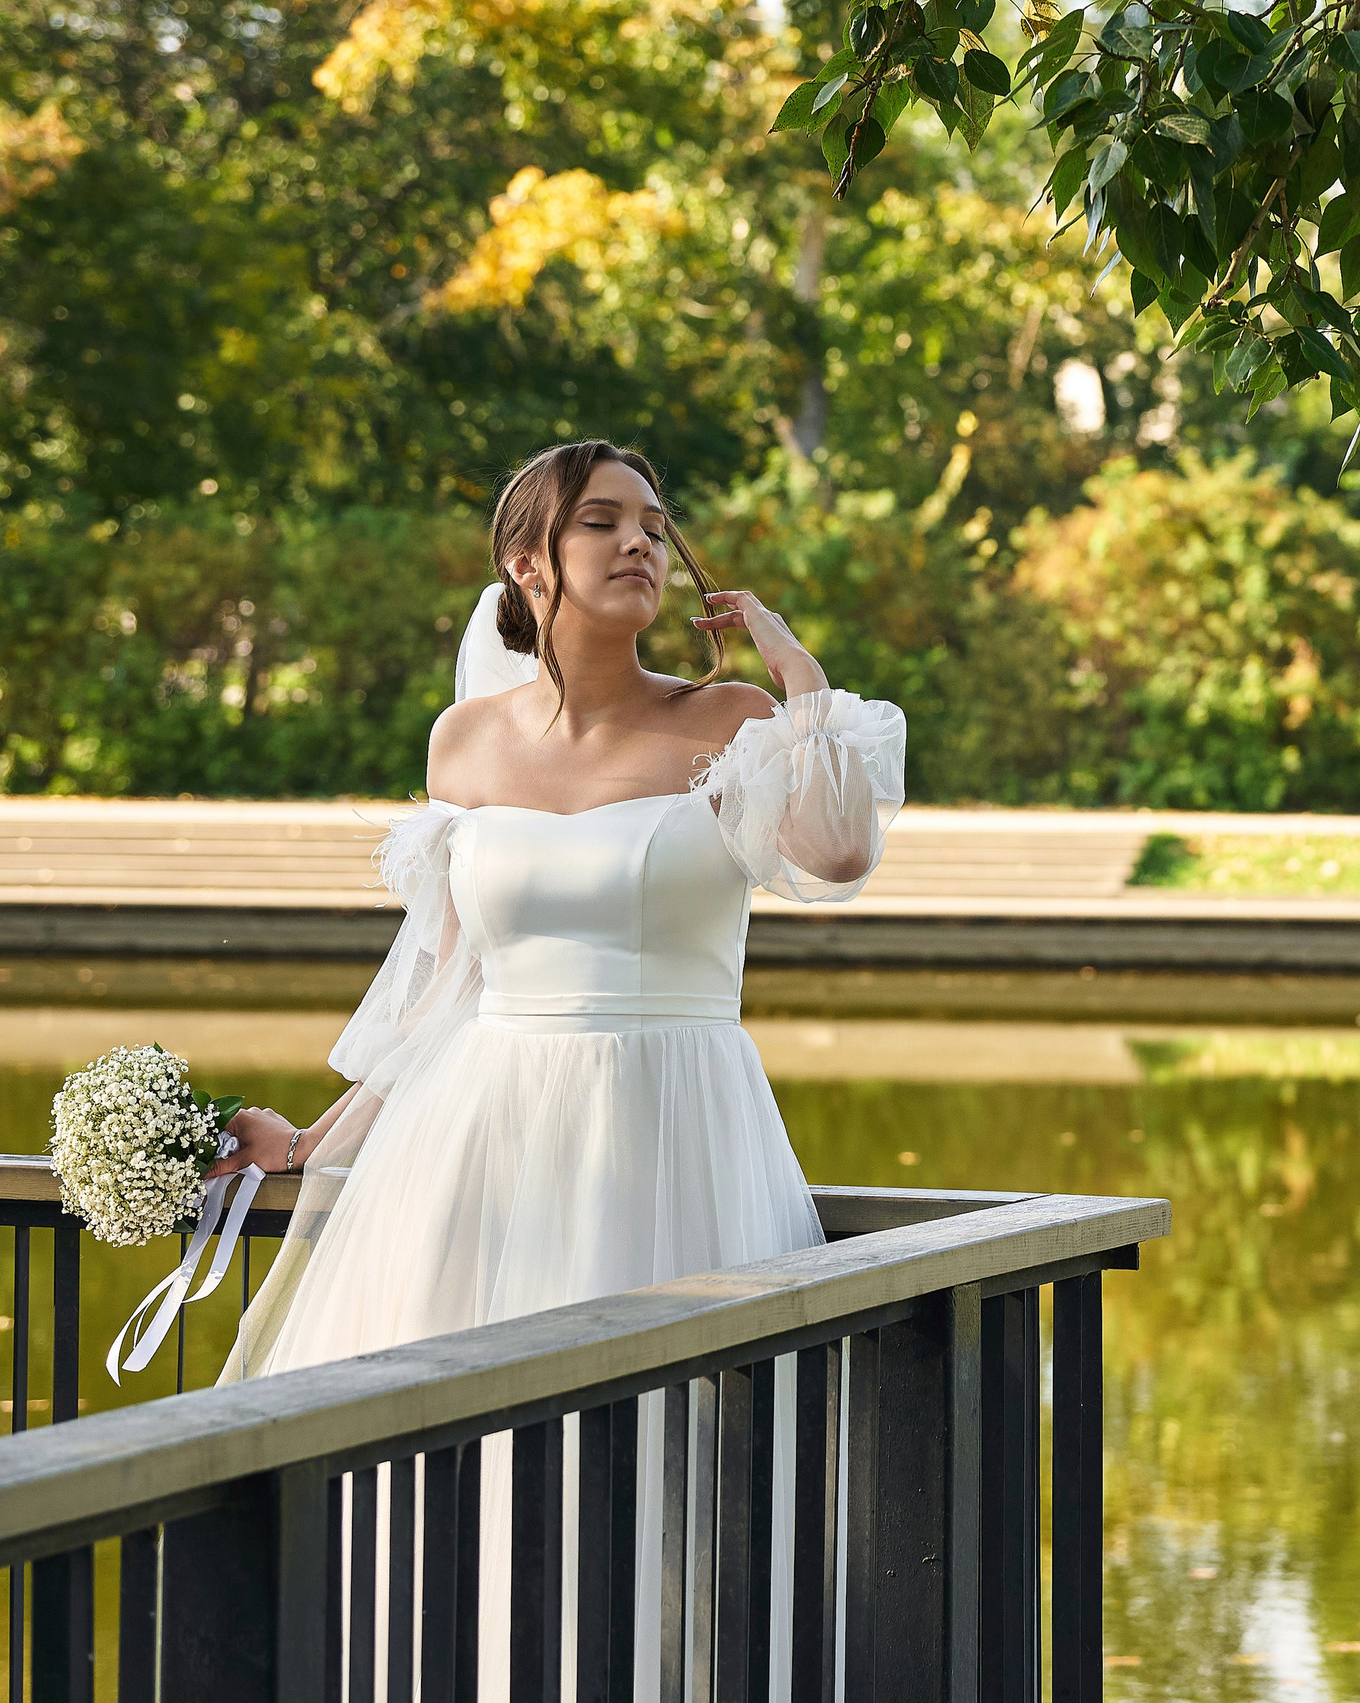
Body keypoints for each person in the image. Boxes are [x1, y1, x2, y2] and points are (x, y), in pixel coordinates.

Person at [209, 438, 904, 1697]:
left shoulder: (729, 721)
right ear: (531, 562)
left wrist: (796, 670)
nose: (642, 542)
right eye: (604, 522)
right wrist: (317, 1144)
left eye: (654, 522)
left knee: (667, 1489)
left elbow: (839, 852)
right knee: (448, 1494)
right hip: (478, 1149)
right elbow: (447, 990)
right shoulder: (464, 744)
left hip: (675, 1130)